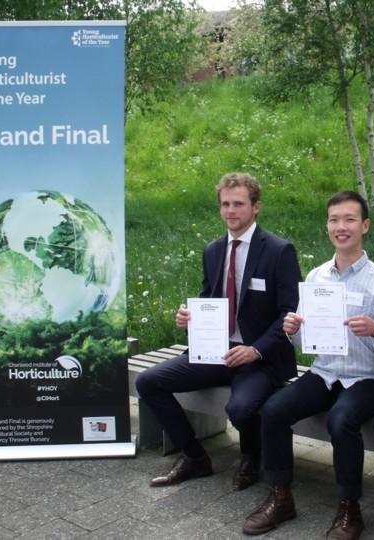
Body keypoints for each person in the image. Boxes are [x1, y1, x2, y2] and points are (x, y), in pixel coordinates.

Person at [242, 190, 374, 540]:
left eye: (349, 219)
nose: (341, 227)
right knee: (273, 410)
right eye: (334, 220)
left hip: (367, 379)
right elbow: (308, 345)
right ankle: (280, 497)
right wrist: (294, 331)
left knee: (342, 419)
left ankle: (350, 510)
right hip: (323, 372)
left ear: (365, 225)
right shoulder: (316, 279)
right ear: (327, 226)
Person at [135, 172, 301, 491]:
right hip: (215, 351)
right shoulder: (213, 250)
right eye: (225, 204)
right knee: (149, 382)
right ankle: (195, 455)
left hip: (259, 358)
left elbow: (289, 313)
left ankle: (251, 455)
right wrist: (190, 318)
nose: (230, 211)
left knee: (240, 408)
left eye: (238, 204)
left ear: (256, 207)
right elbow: (209, 298)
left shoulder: (279, 251)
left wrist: (256, 349)